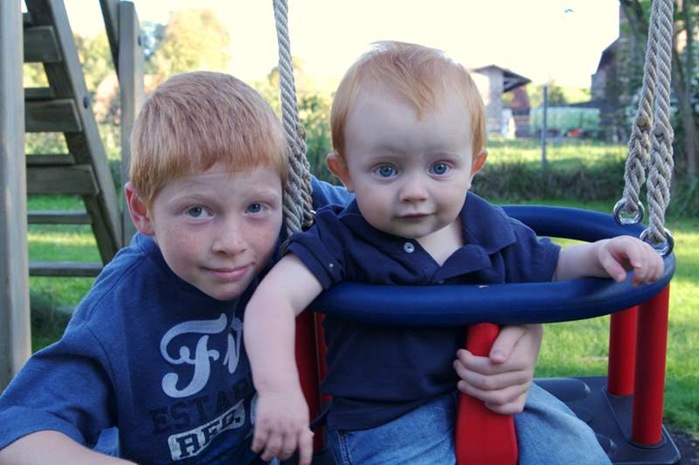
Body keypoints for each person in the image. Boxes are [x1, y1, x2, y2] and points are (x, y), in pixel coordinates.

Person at [0, 71, 543, 464]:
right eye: (197, 212)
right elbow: (18, 432)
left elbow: (451, 240)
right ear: (141, 210)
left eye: (256, 208)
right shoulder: (124, 307)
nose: (232, 243)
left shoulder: (307, 214)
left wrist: (523, 326)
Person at [243, 41, 665, 465]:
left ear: (474, 166)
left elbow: (553, 265)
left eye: (440, 167)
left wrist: (602, 254)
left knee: (577, 453)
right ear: (345, 173)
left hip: (495, 396)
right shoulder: (341, 238)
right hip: (389, 422)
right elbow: (273, 300)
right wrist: (279, 392)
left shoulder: (487, 226)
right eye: (386, 170)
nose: (414, 191)